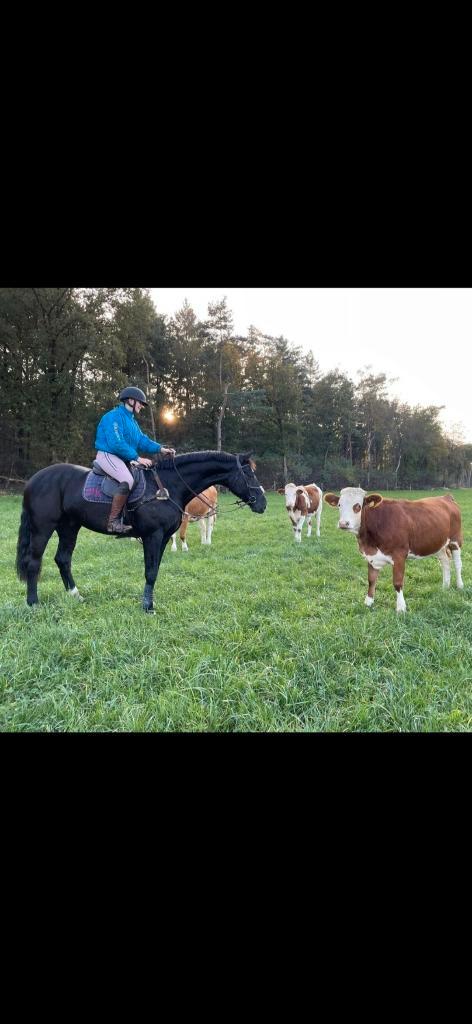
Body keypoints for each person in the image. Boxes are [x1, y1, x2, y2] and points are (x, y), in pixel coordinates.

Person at [95, 386, 175, 533]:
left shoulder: (132, 421)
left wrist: (161, 449)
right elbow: (116, 443)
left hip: (122, 457)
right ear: (130, 400)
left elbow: (142, 441)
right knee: (127, 480)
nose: (141, 406)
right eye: (140, 403)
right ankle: (113, 522)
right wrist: (137, 457)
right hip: (107, 455)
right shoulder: (113, 417)